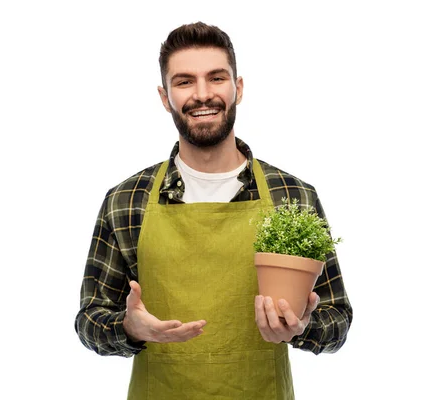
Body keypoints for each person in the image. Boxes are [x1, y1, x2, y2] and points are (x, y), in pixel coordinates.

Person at [75, 22, 352, 400]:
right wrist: (130, 328)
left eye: (216, 78)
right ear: (164, 95)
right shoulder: (127, 200)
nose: (202, 95)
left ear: (237, 88)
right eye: (184, 81)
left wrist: (301, 326)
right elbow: (90, 318)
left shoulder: (293, 195)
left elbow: (337, 317)